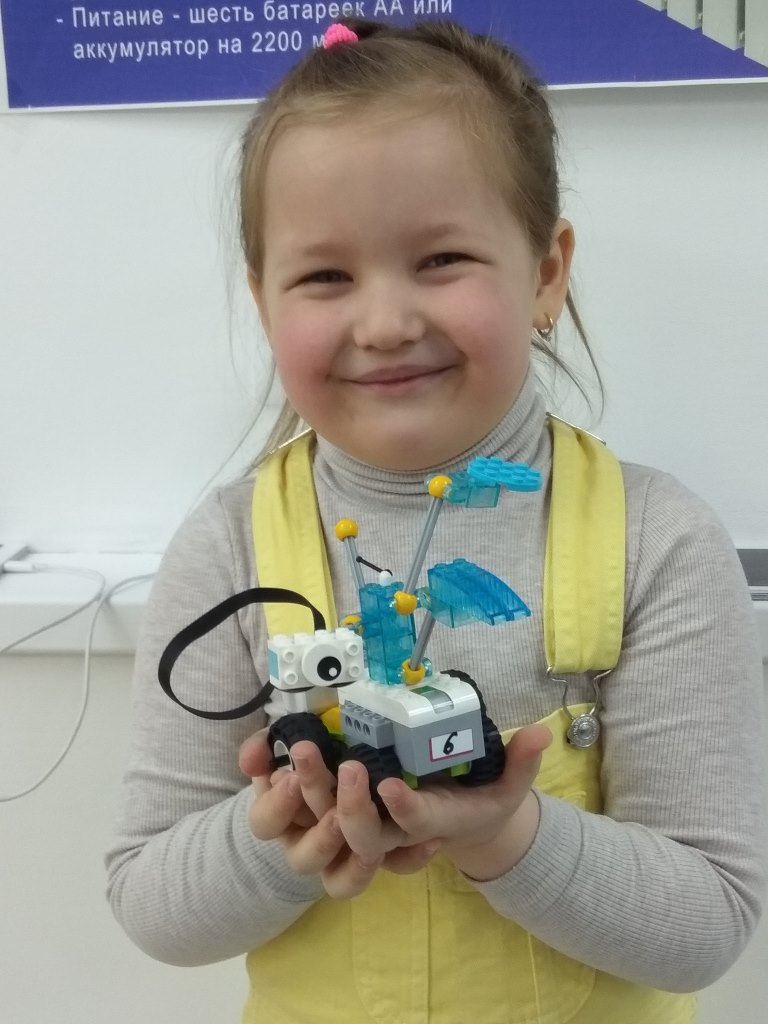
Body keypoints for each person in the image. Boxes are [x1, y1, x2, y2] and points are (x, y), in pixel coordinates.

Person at [106, 17, 765, 1024]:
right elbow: (151, 904)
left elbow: (708, 923)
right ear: (264, 300)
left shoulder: (657, 540)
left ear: (545, 272)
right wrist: (281, 829)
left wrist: (504, 834)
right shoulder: (229, 544)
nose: (384, 323)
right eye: (325, 276)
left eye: (442, 257)